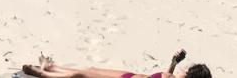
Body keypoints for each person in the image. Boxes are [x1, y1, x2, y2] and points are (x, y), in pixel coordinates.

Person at [21, 49, 210, 78]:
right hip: (128, 74)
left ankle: (44, 72)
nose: (185, 69)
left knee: (82, 75)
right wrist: (173, 63)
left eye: (188, 70)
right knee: (90, 69)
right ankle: (52, 67)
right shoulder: (172, 76)